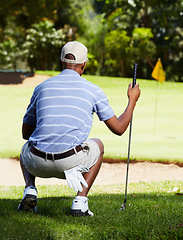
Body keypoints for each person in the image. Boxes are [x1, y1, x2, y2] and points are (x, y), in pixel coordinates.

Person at [18, 41, 141, 216]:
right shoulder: (92, 90)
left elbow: (25, 134)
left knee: (26, 146)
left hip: (36, 163)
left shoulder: (42, 87)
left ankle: (30, 189)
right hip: (70, 164)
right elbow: (119, 128)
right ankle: (80, 202)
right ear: (84, 65)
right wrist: (132, 101)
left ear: (61, 63)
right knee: (98, 144)